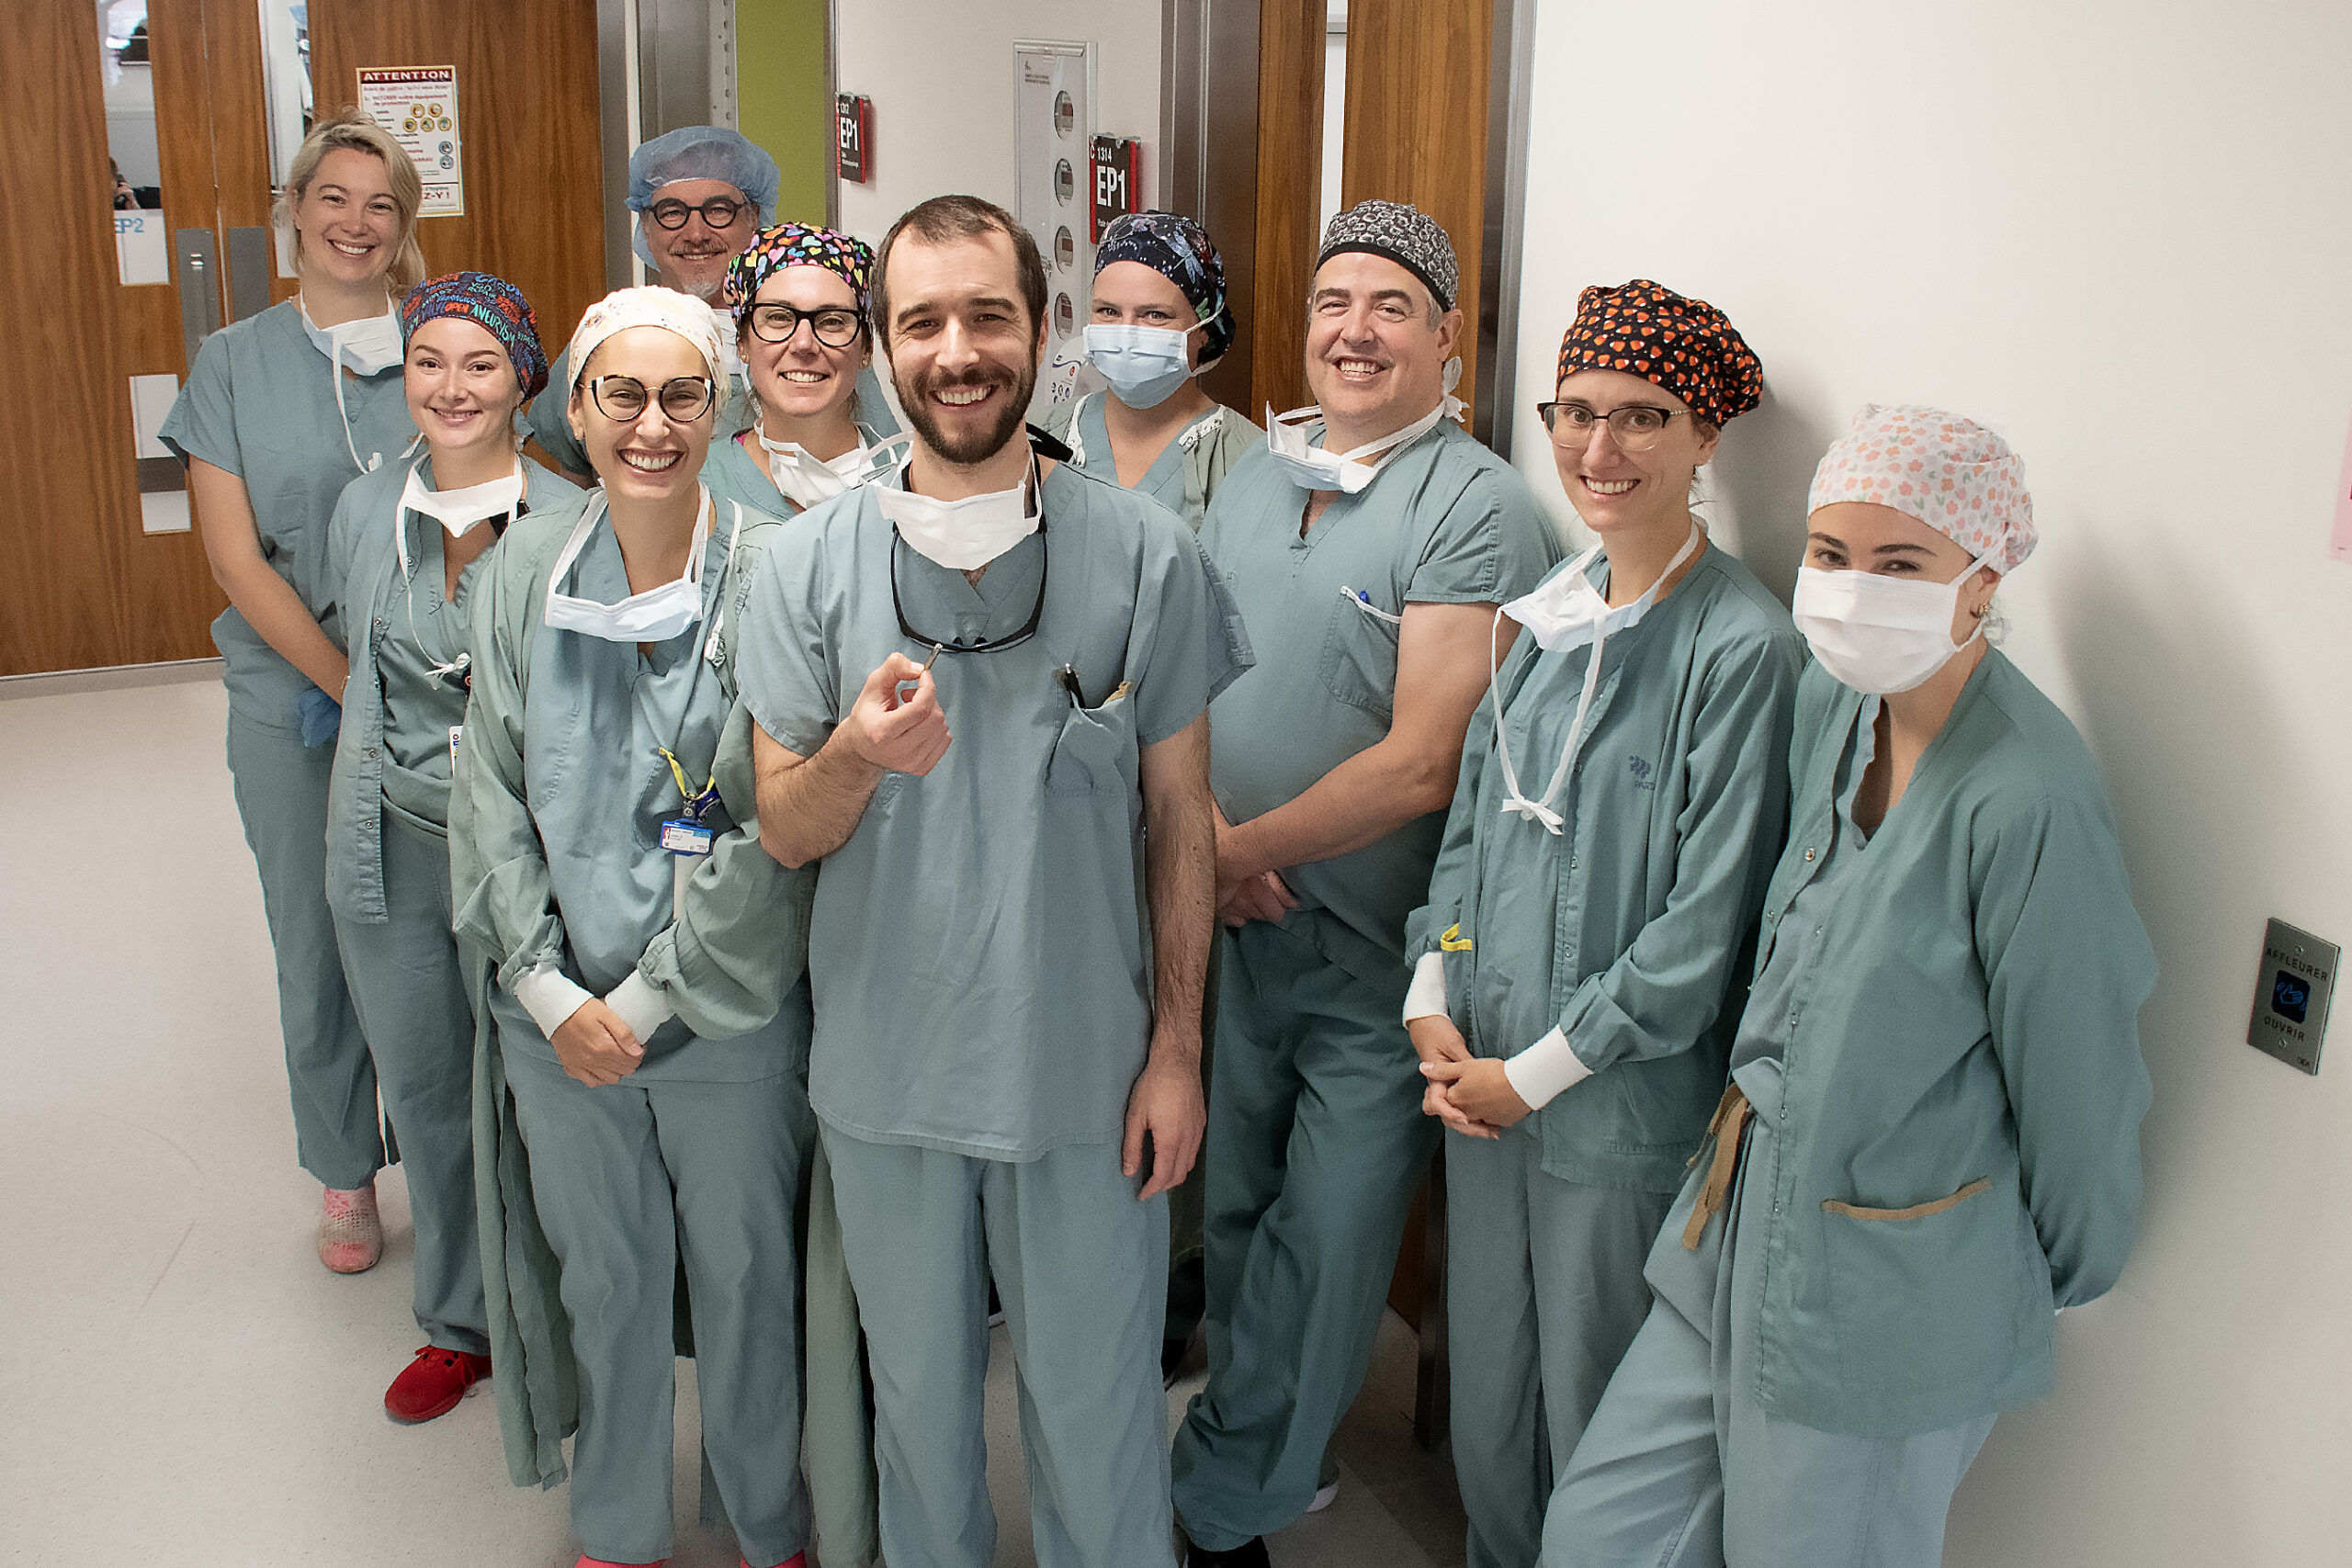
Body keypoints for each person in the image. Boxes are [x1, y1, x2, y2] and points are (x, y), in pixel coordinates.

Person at [1548, 406, 2157, 1568]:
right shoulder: (1834, 704)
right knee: (1598, 1533)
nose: (1849, 589)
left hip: (1893, 1286)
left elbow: (2077, 1075)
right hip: (1739, 1217)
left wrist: (2028, 1273)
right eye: (1829, 554)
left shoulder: (2027, 799)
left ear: (1981, 582)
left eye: (1899, 564)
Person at [738, 193, 1249, 1568]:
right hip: (890, 1078)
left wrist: (1179, 1051)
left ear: (1045, 329)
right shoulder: (798, 572)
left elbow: (1180, 817)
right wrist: (852, 751)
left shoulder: (1145, 554)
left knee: (1096, 1416)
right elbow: (785, 828)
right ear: (879, 347)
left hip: (1085, 1075)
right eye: (921, 321)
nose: (956, 349)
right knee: (919, 1420)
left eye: (988, 315)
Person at [1170, 199, 1560, 1567]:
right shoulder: (1258, 475)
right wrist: (1205, 839)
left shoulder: (1479, 507)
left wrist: (1231, 851)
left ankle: (1225, 1503)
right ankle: (1276, 1434)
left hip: (1377, 953)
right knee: (1236, 1207)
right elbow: (1187, 676)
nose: (1356, 329)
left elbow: (1421, 761)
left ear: (1450, 336)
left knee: (1332, 1239)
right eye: (1335, 300)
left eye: (1393, 306)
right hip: (1235, 921)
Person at [1401, 280, 1801, 1568]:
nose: (1598, 449)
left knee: (1596, 1430)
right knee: (1489, 1402)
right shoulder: (1550, 610)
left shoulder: (1739, 649)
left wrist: (1538, 1072)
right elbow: (1473, 841)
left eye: (1642, 417)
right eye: (1574, 413)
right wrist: (1434, 988)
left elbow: (1700, 930)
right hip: (1482, 1083)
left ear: (1705, 441)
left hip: (1606, 1112)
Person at [448, 287, 820, 1568]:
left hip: (723, 1013)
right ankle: (616, 1518)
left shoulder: (779, 572)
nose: (650, 424)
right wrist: (548, 989)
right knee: (603, 1281)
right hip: (560, 1024)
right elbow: (489, 796)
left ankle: (768, 1515)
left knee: (745, 1278)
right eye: (621, 393)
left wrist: (653, 999)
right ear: (576, 407)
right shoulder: (515, 578)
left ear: (723, 407)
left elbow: (774, 829)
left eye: (681, 395)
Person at [158, 108, 424, 1275]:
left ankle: (451, 1155)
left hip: (437, 691)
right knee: (313, 935)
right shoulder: (233, 361)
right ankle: (344, 1174)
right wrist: (349, 683)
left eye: (381, 205)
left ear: (403, 228)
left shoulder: (440, 342)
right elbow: (233, 557)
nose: (354, 224)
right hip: (293, 700)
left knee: (424, 933)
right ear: (295, 212)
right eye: (334, 199)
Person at [314, 271, 563, 1422]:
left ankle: (565, 1314)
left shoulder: (576, 517)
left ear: (525, 378)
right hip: (397, 844)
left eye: (479, 363)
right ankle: (459, 1322)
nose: (451, 386)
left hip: (533, 856)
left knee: (545, 1089)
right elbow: (358, 661)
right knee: (425, 1086)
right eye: (428, 362)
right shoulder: (367, 510)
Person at [524, 128, 896, 482]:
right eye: (672, 211)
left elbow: (879, 464)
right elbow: (575, 474)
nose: (697, 234)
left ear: (754, 218)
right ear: (646, 229)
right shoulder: (613, 334)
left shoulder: (816, 344)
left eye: (718, 210)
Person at [1044, 210, 1259, 532]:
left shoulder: (1249, 463)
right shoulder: (1039, 436)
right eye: (1108, 311)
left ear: (1204, 330)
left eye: (1155, 315)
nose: (1126, 332)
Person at [703, 220, 905, 520]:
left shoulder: (912, 484)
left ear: (866, 348)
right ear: (742, 342)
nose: (803, 344)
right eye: (779, 317)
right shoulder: (699, 486)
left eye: (832, 321)